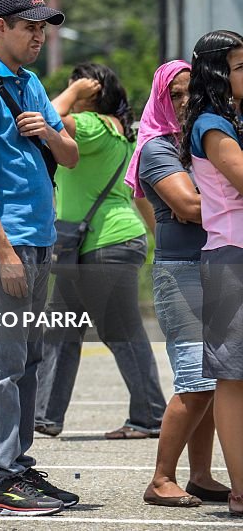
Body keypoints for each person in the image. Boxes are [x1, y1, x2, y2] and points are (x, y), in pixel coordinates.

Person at [0, 0, 80, 516]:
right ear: (0, 27)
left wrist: (47, 134)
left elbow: (70, 155)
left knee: (28, 358)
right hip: (8, 245)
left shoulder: (29, 84)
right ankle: (1, 476)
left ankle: (20, 464)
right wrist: (3, 252)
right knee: (3, 364)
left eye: (43, 27)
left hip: (41, 238)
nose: (39, 35)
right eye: (29, 26)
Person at [35, 63, 165, 439]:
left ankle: (150, 415)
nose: (69, 91)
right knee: (62, 329)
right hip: (89, 244)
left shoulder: (92, 127)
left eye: (76, 86)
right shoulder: (120, 132)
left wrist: (73, 94)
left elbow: (43, 117)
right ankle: (45, 414)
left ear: (92, 93)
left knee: (121, 332)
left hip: (105, 243)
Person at [128, 60, 229, 506]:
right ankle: (160, 479)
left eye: (193, 92)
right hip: (182, 272)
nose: (186, 102)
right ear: (160, 99)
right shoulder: (155, 148)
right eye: (176, 95)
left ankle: (201, 475)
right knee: (194, 379)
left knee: (214, 377)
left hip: (219, 267)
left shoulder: (203, 141)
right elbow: (188, 206)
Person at [179, 29, 243, 518]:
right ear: (219, 72)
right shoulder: (212, 123)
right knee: (233, 378)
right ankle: (240, 489)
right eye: (240, 67)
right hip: (230, 259)